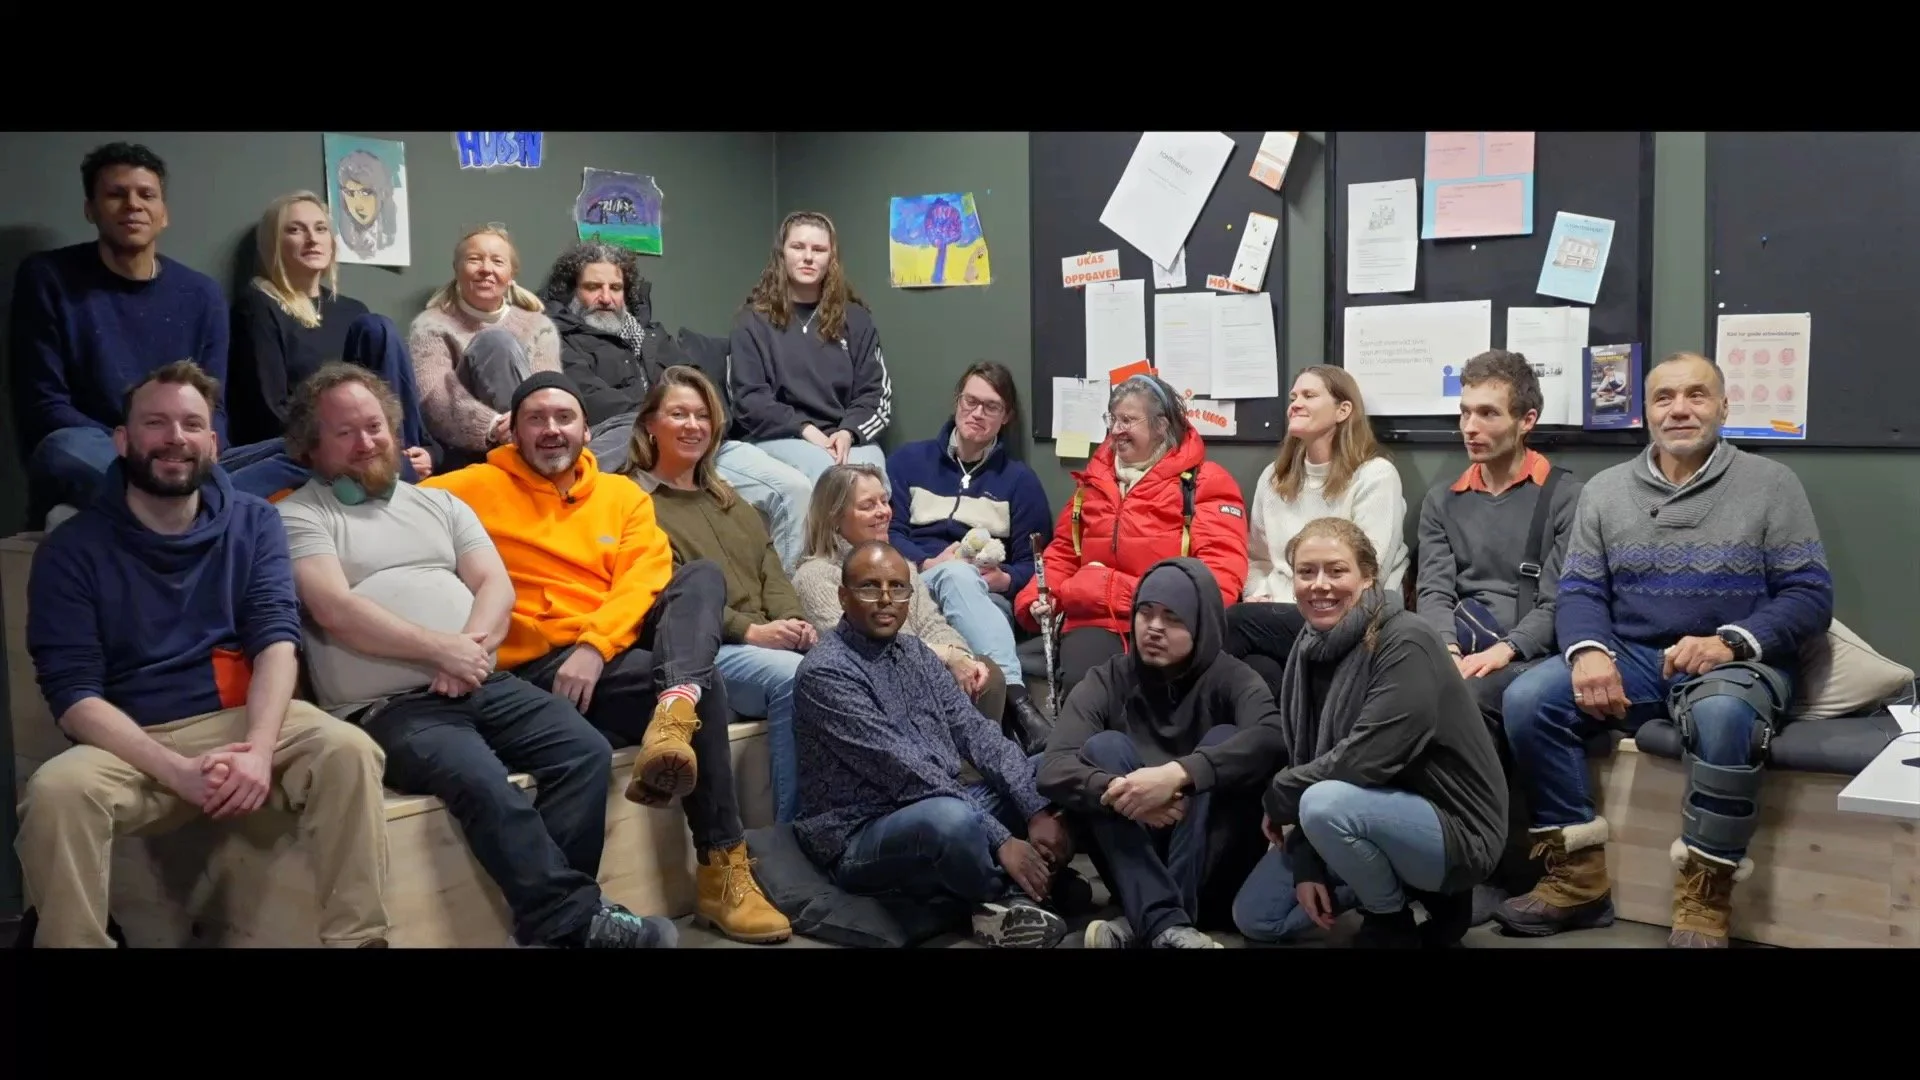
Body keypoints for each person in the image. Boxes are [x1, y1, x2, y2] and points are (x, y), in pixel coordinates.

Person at [276, 362, 675, 948]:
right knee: (482, 780)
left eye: (375, 427)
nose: (366, 442)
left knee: (583, 751)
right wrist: (443, 652)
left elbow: (495, 587)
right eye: (345, 432)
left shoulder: (439, 504)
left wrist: (468, 652)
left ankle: (559, 929)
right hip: (389, 708)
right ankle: (578, 924)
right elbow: (335, 609)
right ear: (311, 447)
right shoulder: (298, 515)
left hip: (482, 680)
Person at [16, 361, 391, 948]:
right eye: (156, 423)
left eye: (192, 425)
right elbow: (73, 694)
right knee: (55, 793)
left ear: (213, 444)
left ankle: (358, 940)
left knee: (348, 749)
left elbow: (276, 641)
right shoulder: (71, 550)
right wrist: (176, 773)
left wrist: (259, 750)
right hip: (132, 745)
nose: (176, 438)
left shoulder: (255, 522)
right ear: (123, 440)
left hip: (241, 725)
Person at [422, 370, 791, 944]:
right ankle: (705, 868)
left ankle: (683, 738)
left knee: (699, 582)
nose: (551, 429)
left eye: (564, 418)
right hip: (529, 668)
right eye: (536, 419)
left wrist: (595, 646)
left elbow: (644, 580)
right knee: (706, 687)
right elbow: (369, 504)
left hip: (605, 657)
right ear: (513, 431)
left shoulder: (622, 497)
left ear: (587, 430)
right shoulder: (468, 488)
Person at [1494, 352, 1833, 949]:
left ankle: (1705, 900)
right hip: (1635, 656)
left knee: (1722, 715)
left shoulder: (1771, 484)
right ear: (1646, 411)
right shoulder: (1606, 491)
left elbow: (1809, 595)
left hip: (1739, 662)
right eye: (1664, 397)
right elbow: (1580, 591)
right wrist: (1589, 653)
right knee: (1528, 699)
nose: (1679, 409)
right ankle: (1577, 880)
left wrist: (1731, 642)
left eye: (1696, 395)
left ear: (1724, 407)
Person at [1232, 517, 1508, 949]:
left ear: (1368, 577)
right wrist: (1306, 862)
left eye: (1336, 570)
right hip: (1360, 809)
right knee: (1257, 916)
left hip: (1453, 825)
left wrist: (1282, 791)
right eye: (1306, 572)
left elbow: (1367, 759)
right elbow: (1312, 761)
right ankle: (1399, 886)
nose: (1319, 585)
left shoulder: (1406, 640)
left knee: (1322, 804)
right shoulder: (1309, 646)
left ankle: (1391, 918)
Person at [792, 540, 1079, 948]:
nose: (886, 599)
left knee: (1060, 769)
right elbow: (906, 773)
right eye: (870, 587)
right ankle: (1005, 897)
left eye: (898, 587)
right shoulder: (826, 673)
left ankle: (1030, 887)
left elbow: (978, 734)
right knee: (950, 820)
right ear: (843, 596)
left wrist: (1035, 807)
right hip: (863, 833)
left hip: (947, 799)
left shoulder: (916, 653)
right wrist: (1001, 840)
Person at [1413, 350, 1585, 922]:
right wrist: (1446, 648)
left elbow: (1563, 600)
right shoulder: (1443, 500)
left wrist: (1505, 650)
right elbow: (1434, 591)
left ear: (1526, 420)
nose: (1471, 426)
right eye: (1464, 412)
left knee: (1476, 700)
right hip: (1461, 646)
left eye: (1488, 413)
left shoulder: (1564, 495)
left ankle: (1488, 869)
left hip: (1531, 649)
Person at [1038, 558, 1285, 949]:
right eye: (1145, 612)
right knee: (1103, 749)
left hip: (1216, 873)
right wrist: (1125, 793)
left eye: (1172, 617)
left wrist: (1181, 775)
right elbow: (1053, 766)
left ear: (1201, 625)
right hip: (1135, 863)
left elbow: (1272, 737)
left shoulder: (1233, 677)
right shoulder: (1108, 678)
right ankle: (1166, 924)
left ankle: (1147, 921)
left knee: (1224, 738)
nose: (1154, 627)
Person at [619, 365, 816, 826]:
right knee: (797, 677)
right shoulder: (630, 499)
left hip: (762, 642)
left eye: (703, 415)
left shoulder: (727, 497)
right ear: (650, 424)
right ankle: (793, 834)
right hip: (700, 653)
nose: (693, 425)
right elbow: (660, 590)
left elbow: (770, 568)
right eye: (679, 414)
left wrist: (793, 622)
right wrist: (751, 631)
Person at [10, 142, 230, 522]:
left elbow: (214, 407)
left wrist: (199, 448)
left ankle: (178, 511)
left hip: (182, 452)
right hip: (97, 449)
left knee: (282, 454)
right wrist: (138, 447)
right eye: (116, 194)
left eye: (147, 195)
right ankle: (201, 512)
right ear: (90, 209)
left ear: (164, 214)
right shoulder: (47, 278)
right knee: (64, 446)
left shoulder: (202, 294)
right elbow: (45, 406)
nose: (133, 205)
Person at [1014, 373, 1249, 697]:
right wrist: (1039, 597)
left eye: (1127, 420)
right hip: (1094, 623)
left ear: (1161, 426)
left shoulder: (1203, 484)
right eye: (1112, 419)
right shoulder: (1092, 483)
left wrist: (1112, 590)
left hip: (1166, 624)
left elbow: (1219, 579)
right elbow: (1064, 553)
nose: (1116, 430)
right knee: (1086, 692)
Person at [792, 464, 1025, 749]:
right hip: (870, 685)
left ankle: (978, 768)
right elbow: (863, 647)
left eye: (884, 501)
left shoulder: (901, 566)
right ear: (835, 516)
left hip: (924, 669)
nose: (884, 511)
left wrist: (962, 656)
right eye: (868, 505)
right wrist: (947, 657)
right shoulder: (815, 575)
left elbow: (932, 623)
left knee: (986, 674)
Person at [224, 190, 436, 494]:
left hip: (369, 442)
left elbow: (388, 394)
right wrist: (335, 447)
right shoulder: (259, 306)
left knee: (378, 327)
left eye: (321, 228)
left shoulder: (353, 311)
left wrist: (428, 453)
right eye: (295, 229)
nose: (312, 239)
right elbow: (268, 414)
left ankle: (405, 455)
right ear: (274, 243)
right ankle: (393, 470)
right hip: (304, 445)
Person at [885, 362, 1055, 737]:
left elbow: (1037, 562)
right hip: (916, 586)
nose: (977, 413)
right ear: (957, 401)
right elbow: (888, 532)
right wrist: (926, 561)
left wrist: (1004, 579)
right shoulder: (908, 462)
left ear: (1006, 416)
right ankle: (1018, 703)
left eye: (991, 406)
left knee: (960, 576)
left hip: (984, 597)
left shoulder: (1020, 481)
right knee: (953, 572)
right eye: (970, 401)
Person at [1228, 365, 1408, 696]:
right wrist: (1259, 594)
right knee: (1258, 670)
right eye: (1293, 397)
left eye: (1309, 396)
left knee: (1233, 623)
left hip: (1348, 615)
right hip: (1281, 614)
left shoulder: (1375, 476)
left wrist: (1269, 611)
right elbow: (1259, 558)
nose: (1295, 404)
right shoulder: (1274, 477)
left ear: (1343, 410)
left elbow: (1371, 572)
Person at [726, 210, 893, 483]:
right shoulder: (751, 320)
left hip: (844, 436)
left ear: (831, 258)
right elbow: (748, 400)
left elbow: (875, 395)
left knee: (872, 482)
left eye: (818, 249)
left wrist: (848, 433)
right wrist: (803, 428)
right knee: (830, 477)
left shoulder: (856, 319)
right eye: (798, 247)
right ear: (782, 254)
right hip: (779, 436)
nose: (808, 257)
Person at [409, 224, 561, 461]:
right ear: (457, 269)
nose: (486, 269)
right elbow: (433, 398)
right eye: (474, 259)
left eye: (497, 261)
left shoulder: (539, 326)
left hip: (538, 436)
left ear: (511, 275)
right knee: (495, 342)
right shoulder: (430, 325)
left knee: (622, 425)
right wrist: (495, 426)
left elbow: (550, 392)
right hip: (468, 450)